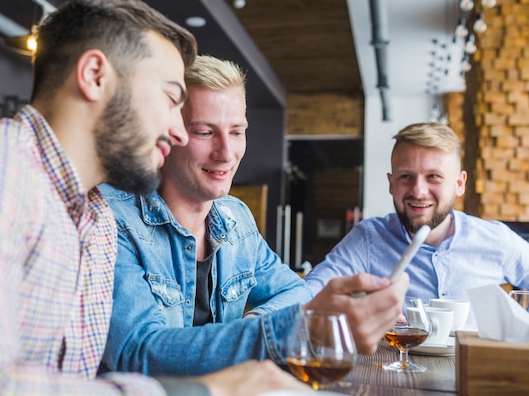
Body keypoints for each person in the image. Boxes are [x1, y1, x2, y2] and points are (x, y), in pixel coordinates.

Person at [0, 0, 312, 396]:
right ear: (95, 76)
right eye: (171, 99)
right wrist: (203, 390)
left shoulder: (94, 217)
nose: (176, 130)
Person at [98, 55, 409, 377]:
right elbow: (138, 353)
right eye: (205, 132)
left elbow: (297, 292)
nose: (226, 153)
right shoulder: (113, 219)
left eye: (236, 132)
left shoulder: (235, 218)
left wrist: (257, 323)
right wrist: (282, 330)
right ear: (167, 134)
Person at [305, 122, 529, 323]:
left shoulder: (496, 239)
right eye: (406, 177)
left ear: (459, 184)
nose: (418, 191)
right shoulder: (368, 239)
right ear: (391, 183)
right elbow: (308, 296)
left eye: (434, 176)